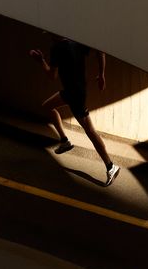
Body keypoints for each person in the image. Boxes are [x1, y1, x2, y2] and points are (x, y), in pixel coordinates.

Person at [30, 34, 120, 186]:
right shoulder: (77, 41)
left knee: (90, 131)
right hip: (74, 91)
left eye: (49, 32)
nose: (48, 35)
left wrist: (41, 61)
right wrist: (102, 74)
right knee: (47, 106)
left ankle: (111, 166)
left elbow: (52, 76)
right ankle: (65, 141)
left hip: (74, 95)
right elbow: (100, 50)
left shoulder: (57, 48)